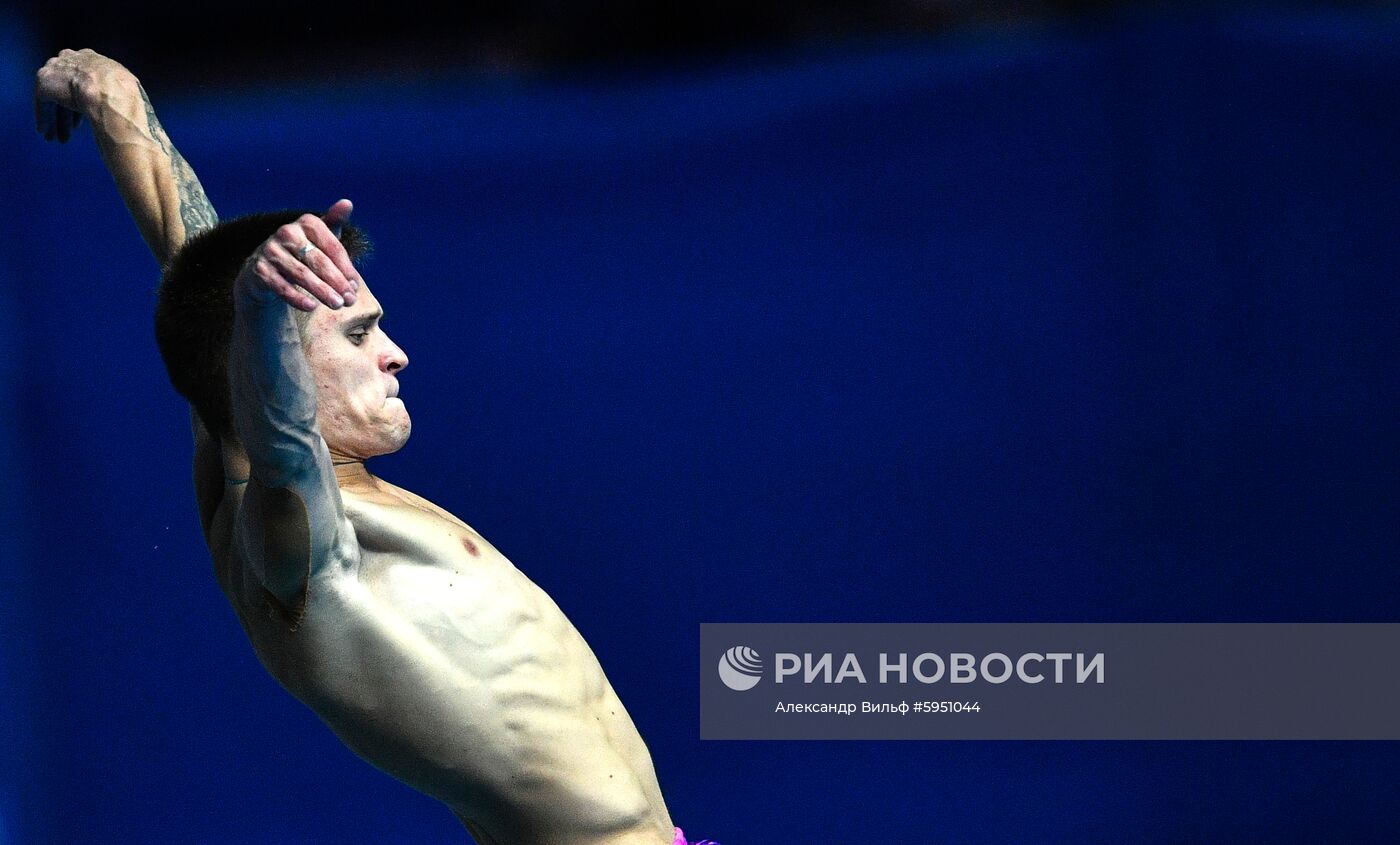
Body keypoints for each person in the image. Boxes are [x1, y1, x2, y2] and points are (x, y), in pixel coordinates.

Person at [35, 48, 717, 845]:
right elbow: (281, 438)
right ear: (263, 362)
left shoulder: (248, 415)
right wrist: (261, 307)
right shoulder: (289, 538)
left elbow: (185, 249)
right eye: (359, 334)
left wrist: (108, 90)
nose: (395, 354)